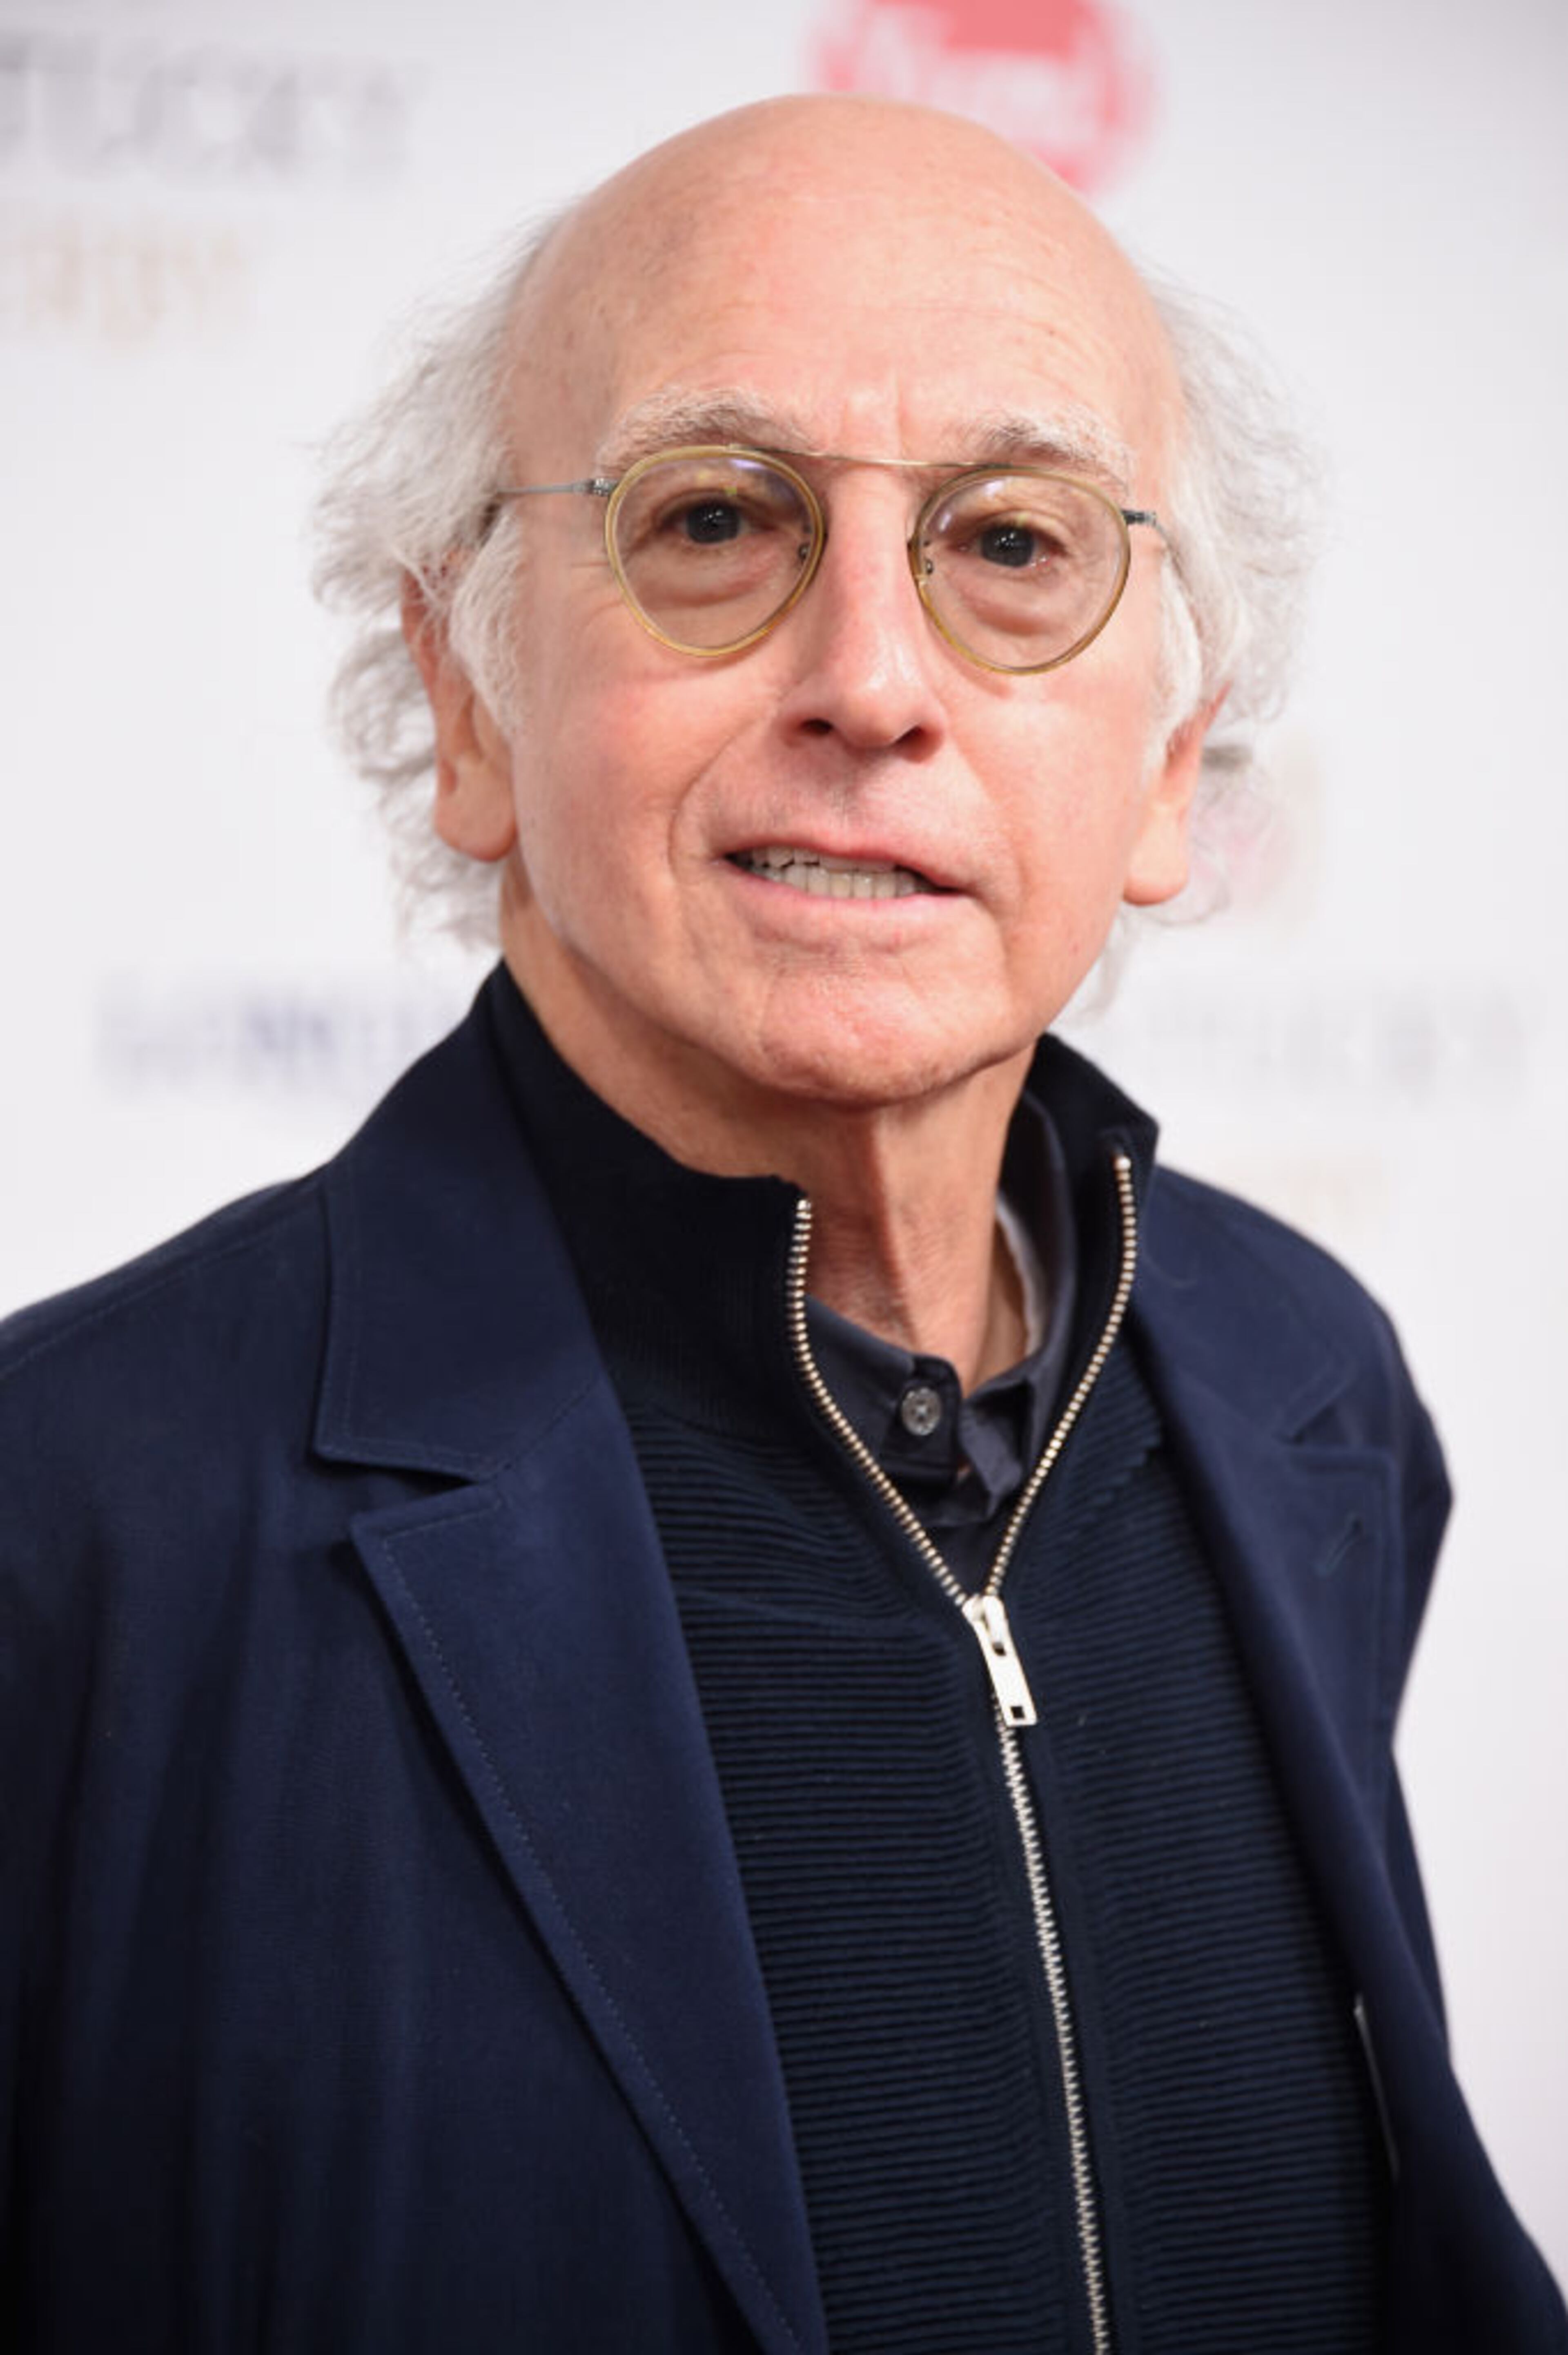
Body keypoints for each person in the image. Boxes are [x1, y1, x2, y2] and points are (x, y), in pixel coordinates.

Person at [1, 93, 1561, 2355]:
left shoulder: (1302, 1384)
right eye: (715, 518)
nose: (871, 678)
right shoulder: (70, 1525)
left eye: (1013, 545)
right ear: (466, 694)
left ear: (1162, 762)